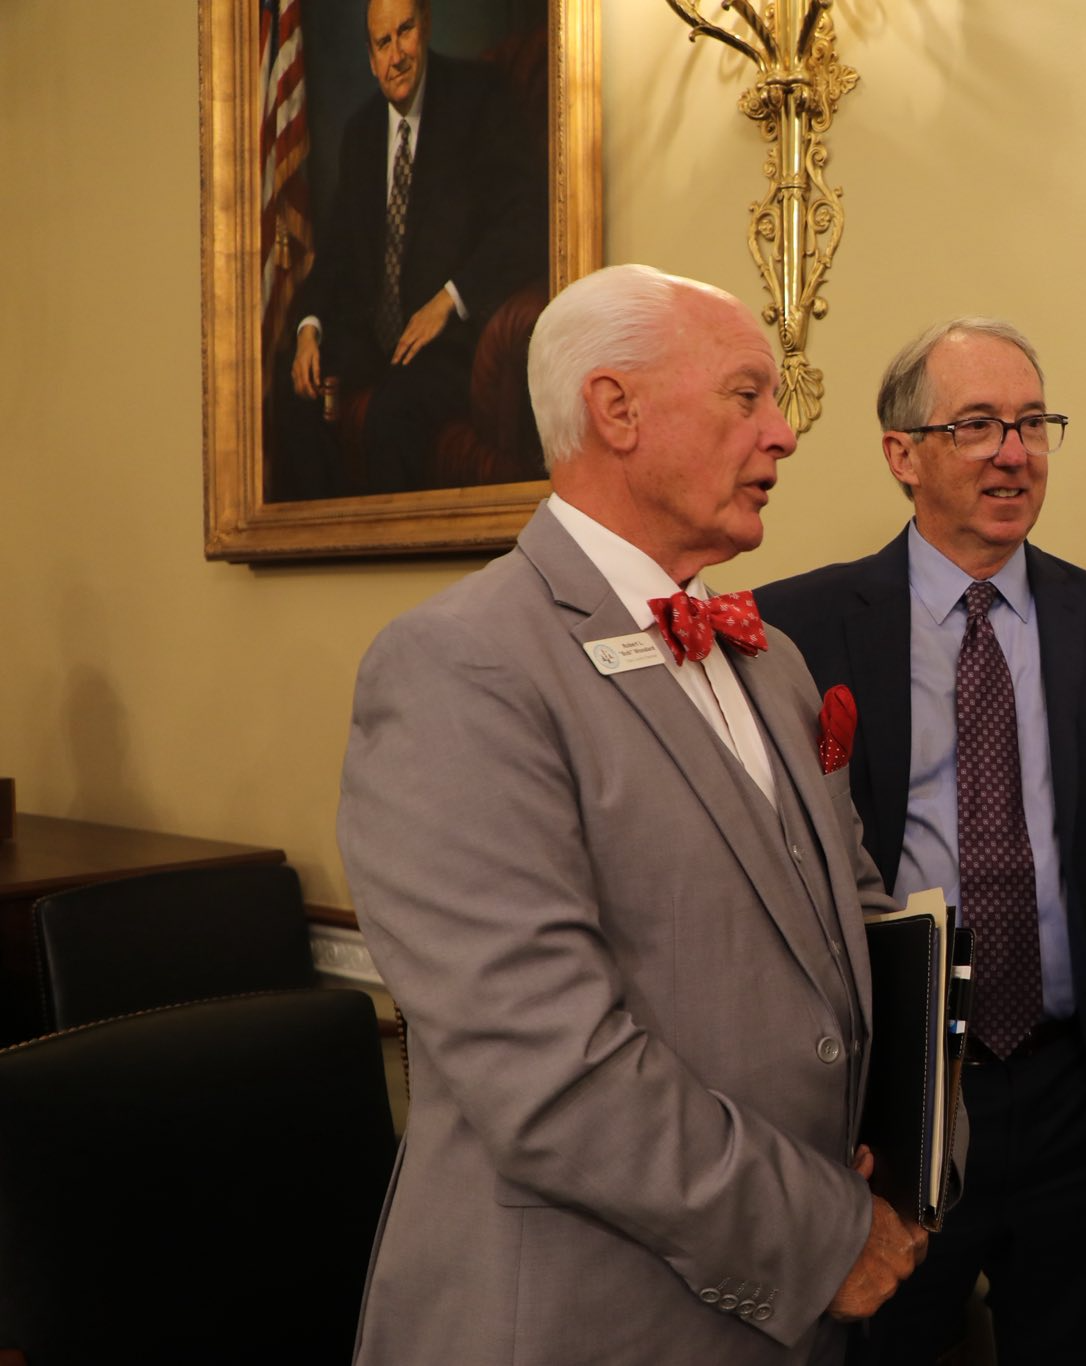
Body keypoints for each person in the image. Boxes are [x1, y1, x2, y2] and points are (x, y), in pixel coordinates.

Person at [337, 264, 927, 1365]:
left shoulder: (774, 659)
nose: (784, 432)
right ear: (616, 410)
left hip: (793, 1308)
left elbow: (854, 921)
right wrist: (818, 1233)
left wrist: (912, 1148)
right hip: (587, 1313)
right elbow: (548, 1066)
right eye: (746, 395)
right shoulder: (459, 667)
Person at [754, 319, 1086, 1364]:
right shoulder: (794, 628)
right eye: (978, 425)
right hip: (893, 1102)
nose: (1013, 452)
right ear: (901, 454)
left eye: (1033, 423)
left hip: (1080, 1098)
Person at [279, 0, 545, 497]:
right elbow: (335, 257)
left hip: (451, 340)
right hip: (376, 340)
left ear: (425, 27)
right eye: (383, 43)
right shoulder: (361, 134)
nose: (396, 55)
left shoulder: (478, 99)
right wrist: (309, 329)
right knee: (288, 385)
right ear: (370, 58)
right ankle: (327, 537)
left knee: (391, 414)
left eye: (404, 32)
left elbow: (525, 223)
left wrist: (449, 299)